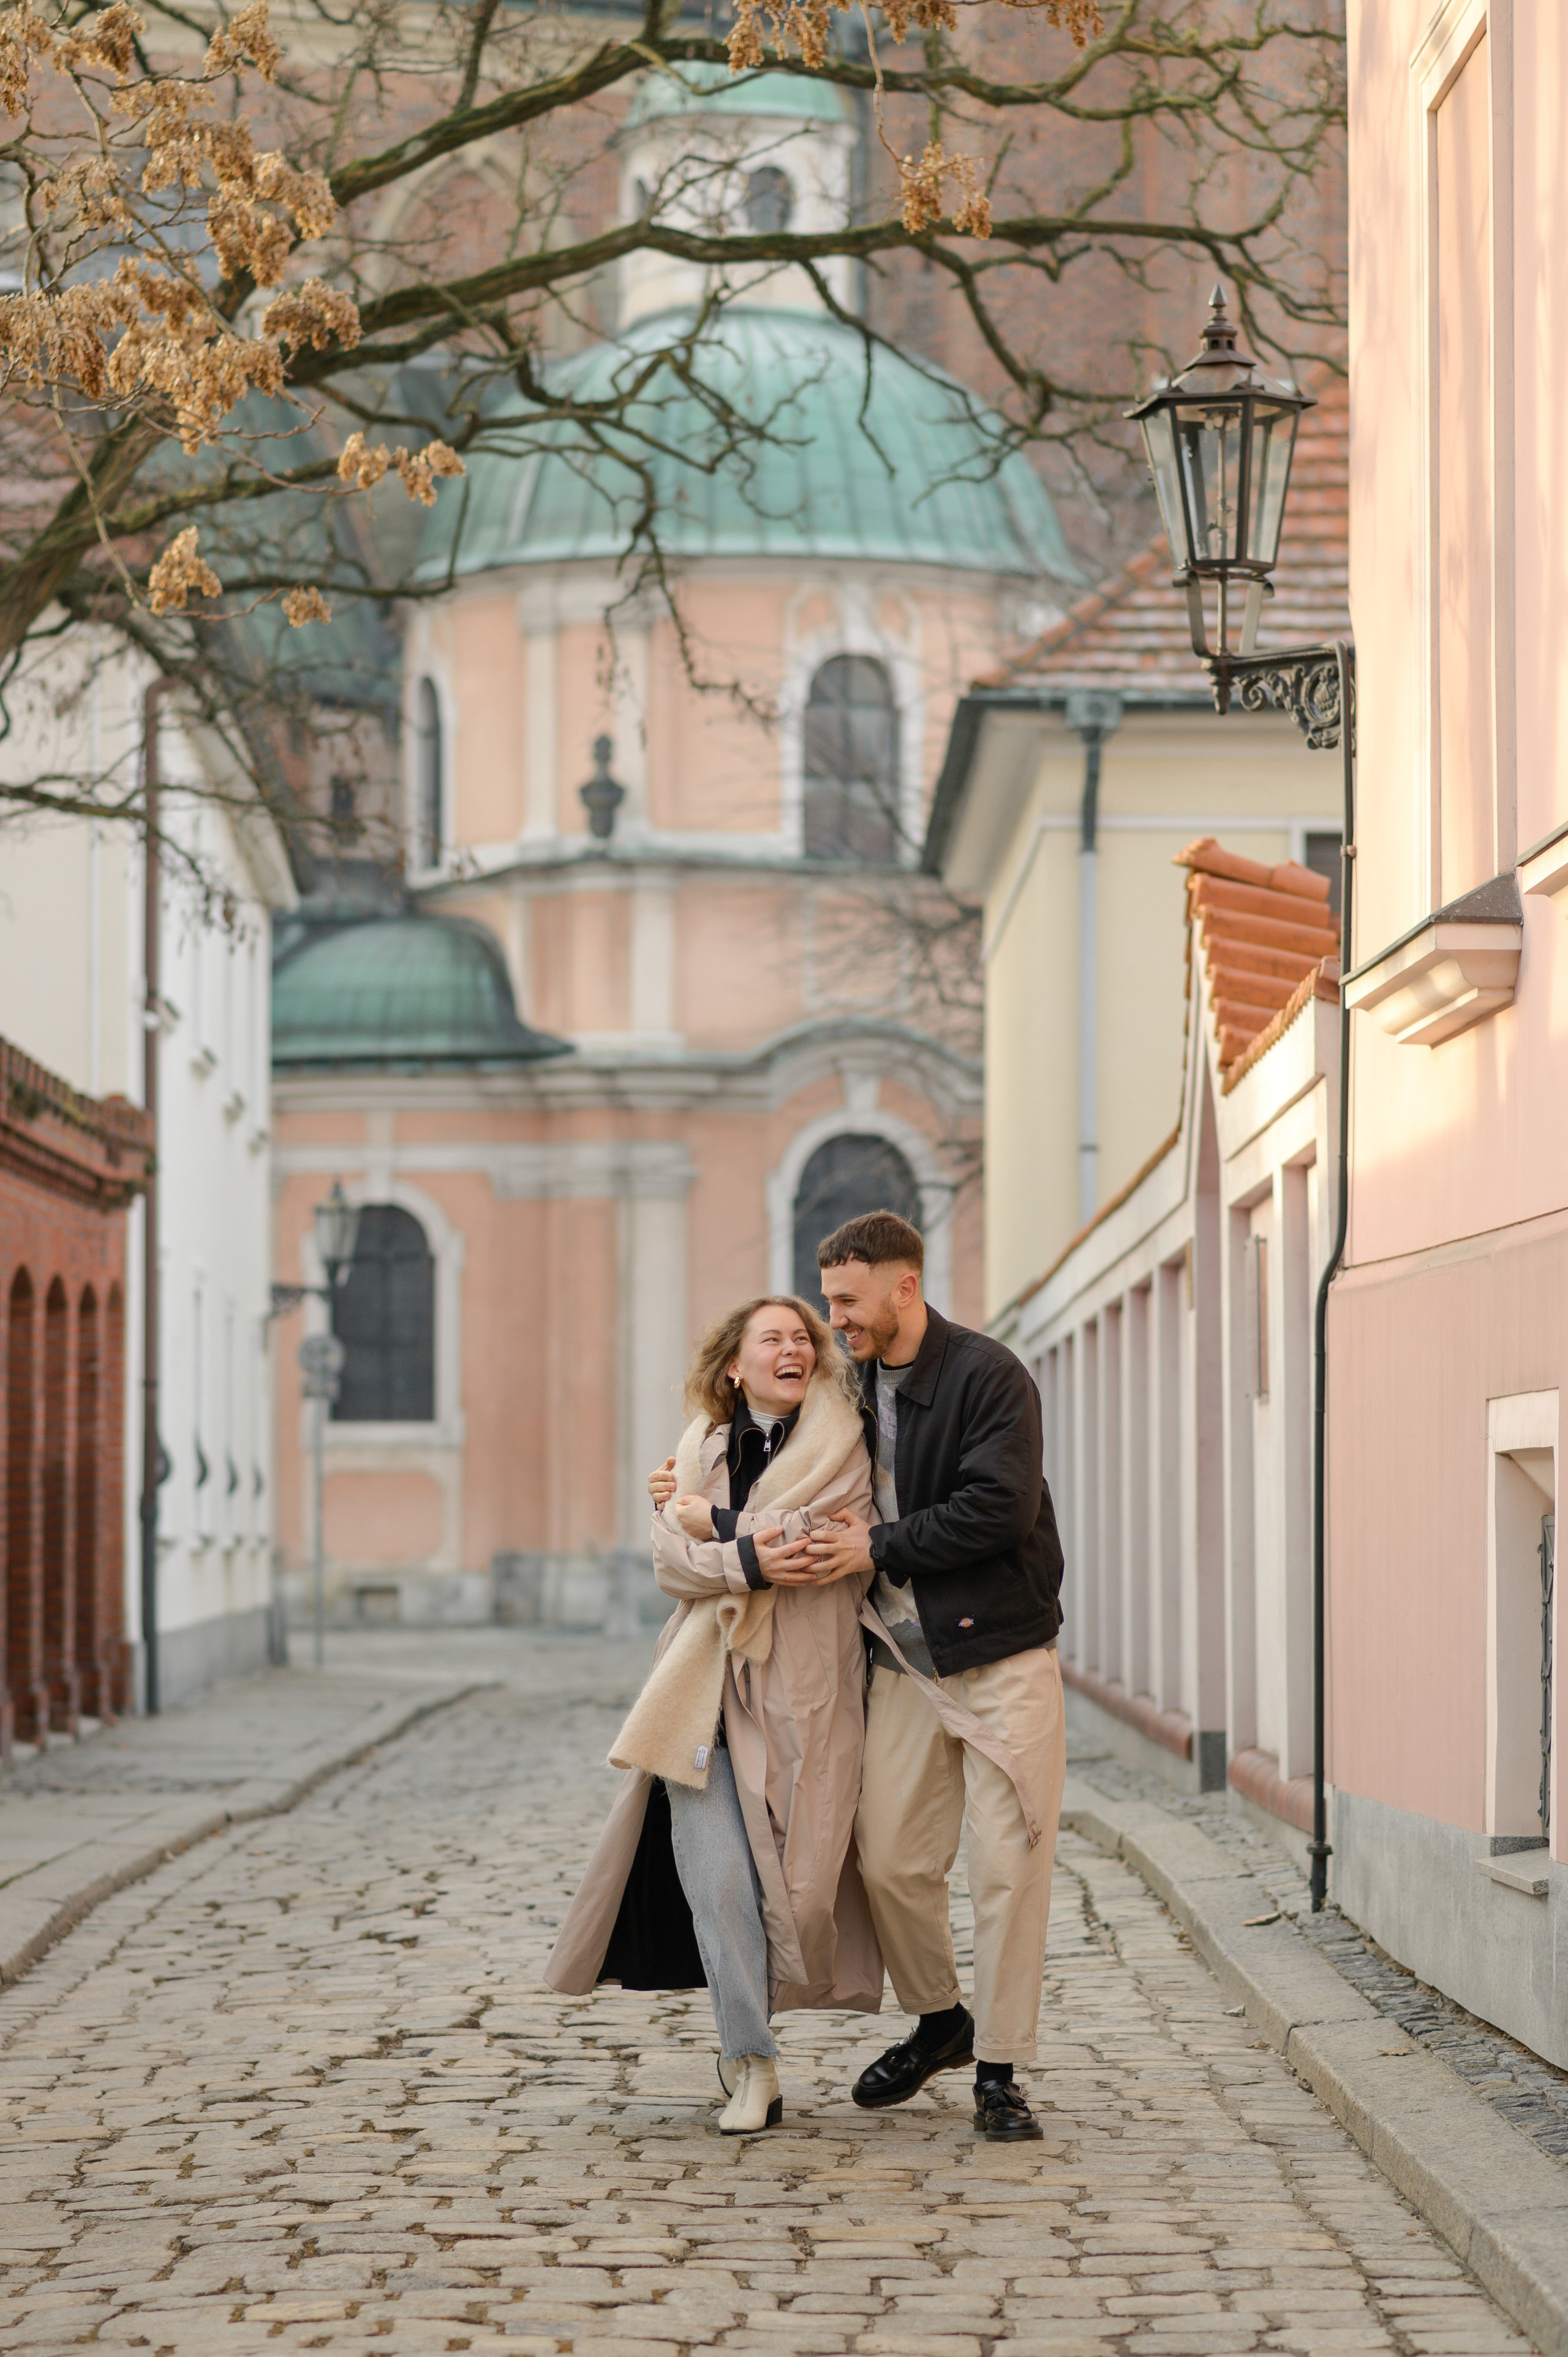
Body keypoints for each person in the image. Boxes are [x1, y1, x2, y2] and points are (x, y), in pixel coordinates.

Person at [543, 1295, 881, 2135]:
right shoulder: (697, 1449)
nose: (793, 1348)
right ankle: (750, 2062)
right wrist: (746, 1556)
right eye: (772, 1338)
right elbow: (671, 1561)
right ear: (734, 1365)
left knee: (802, 1893)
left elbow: (820, 1541)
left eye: (803, 1337)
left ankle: (755, 2036)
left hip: (806, 1692)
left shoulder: (844, 1442)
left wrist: (719, 1531)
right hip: (701, 1695)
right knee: (721, 1882)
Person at [804, 1208, 1068, 2143]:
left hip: (1002, 1656)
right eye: (829, 1301)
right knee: (889, 1861)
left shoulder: (989, 1375)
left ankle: (998, 2071)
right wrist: (683, 1493)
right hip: (903, 1666)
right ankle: (941, 2019)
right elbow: (772, 1455)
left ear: (904, 1287)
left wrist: (878, 1546)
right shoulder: (846, 1385)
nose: (835, 1319)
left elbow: (999, 1508)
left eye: (848, 1300)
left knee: (1007, 1868)